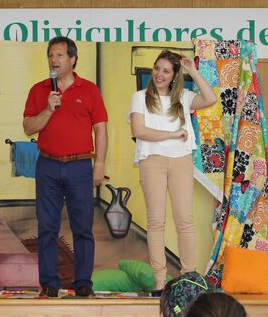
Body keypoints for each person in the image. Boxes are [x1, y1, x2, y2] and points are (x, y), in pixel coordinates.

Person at [23, 36, 108, 298]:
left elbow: (101, 130)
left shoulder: (89, 90)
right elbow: (28, 128)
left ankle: (83, 282)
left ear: (72, 59)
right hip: (48, 165)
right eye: (50, 55)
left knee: (82, 227)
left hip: (80, 166)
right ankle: (49, 282)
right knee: (47, 226)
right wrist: (48, 110)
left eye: (59, 55)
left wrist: (99, 164)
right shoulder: (39, 90)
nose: (53, 60)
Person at [129, 50, 217, 292]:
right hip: (152, 161)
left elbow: (210, 98)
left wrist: (193, 71)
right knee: (156, 221)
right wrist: (172, 134)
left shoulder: (184, 97)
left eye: (166, 71)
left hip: (181, 160)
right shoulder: (140, 97)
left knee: (184, 220)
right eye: (157, 68)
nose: (159, 74)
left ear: (175, 76)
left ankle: (189, 277)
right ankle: (160, 281)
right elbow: (139, 131)